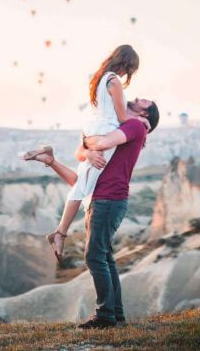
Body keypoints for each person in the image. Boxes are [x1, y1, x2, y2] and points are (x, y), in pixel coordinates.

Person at [25, 98, 159, 329]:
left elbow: (99, 143)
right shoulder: (124, 128)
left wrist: (87, 143)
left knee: (94, 257)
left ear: (145, 115)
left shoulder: (135, 126)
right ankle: (115, 315)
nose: (134, 98)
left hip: (109, 200)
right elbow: (80, 180)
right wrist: (55, 161)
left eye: (141, 101)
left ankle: (106, 316)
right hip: (101, 200)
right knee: (104, 257)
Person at [22, 45, 142, 262]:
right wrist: (138, 125)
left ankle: (50, 160)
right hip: (106, 131)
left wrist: (87, 148)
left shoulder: (100, 79)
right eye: (130, 69)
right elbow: (123, 118)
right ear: (127, 64)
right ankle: (60, 234)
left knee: (84, 182)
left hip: (93, 128)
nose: (128, 74)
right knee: (82, 188)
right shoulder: (114, 81)